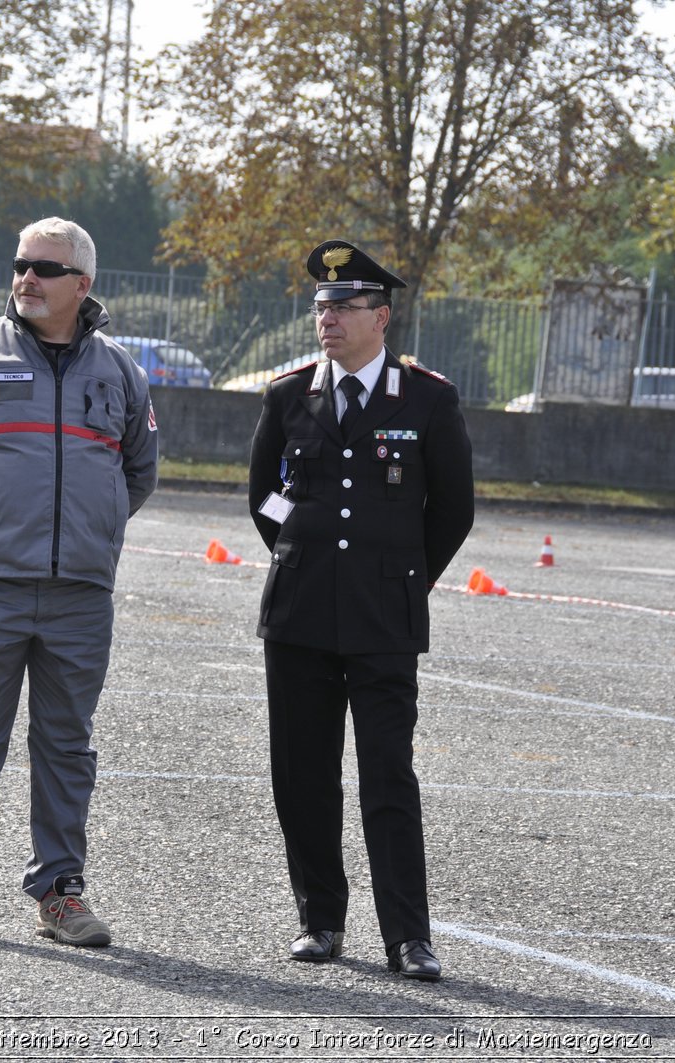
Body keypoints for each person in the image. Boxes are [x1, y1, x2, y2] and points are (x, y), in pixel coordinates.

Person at [0, 217, 159, 948]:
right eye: (20, 264)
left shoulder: (119, 370)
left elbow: (138, 471)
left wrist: (88, 529)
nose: (26, 278)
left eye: (44, 268)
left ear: (83, 284)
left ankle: (60, 893)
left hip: (80, 590)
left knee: (67, 744)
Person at [247, 239, 474, 981]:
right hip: (301, 613)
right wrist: (302, 551)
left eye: (344, 307)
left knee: (388, 775)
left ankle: (408, 935)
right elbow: (266, 499)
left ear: (382, 316)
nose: (328, 319)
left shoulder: (427, 398)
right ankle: (320, 918)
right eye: (321, 307)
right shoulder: (287, 397)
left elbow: (451, 511)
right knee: (302, 774)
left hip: (384, 618)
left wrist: (402, 578)